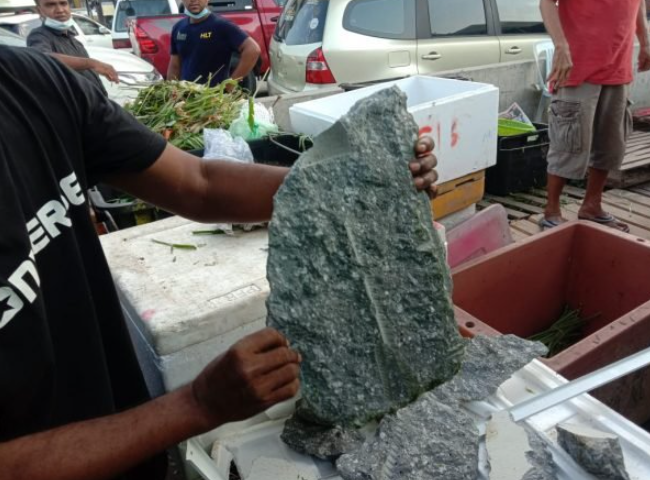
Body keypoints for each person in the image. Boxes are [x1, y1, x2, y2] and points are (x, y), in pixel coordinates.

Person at [0, 45, 439, 480]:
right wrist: (197, 405)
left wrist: (353, 188)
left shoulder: (32, 85)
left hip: (126, 443)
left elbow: (198, 182)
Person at [539, 0, 650, 232]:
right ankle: (552, 210)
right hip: (576, 68)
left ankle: (592, 206)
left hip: (618, 68)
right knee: (568, 143)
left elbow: (638, 4)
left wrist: (645, 40)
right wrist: (560, 46)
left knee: (611, 144)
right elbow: (546, 2)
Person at [27, 0, 118, 95]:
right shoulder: (39, 35)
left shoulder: (74, 41)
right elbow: (41, 58)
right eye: (50, 5)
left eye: (63, 3)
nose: (60, 10)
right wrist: (92, 63)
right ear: (39, 10)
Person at [167, 0, 260, 88]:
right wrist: (171, 91)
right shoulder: (179, 28)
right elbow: (175, 66)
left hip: (213, 98)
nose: (193, 0)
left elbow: (253, 50)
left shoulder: (221, 26)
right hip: (186, 97)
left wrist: (230, 84)